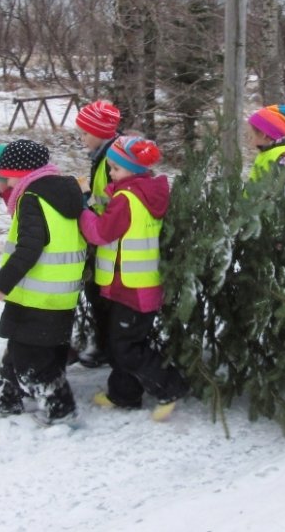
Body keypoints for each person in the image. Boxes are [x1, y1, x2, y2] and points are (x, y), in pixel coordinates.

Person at [78, 135, 188, 422]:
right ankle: (124, 394)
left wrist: (81, 212)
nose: (111, 173)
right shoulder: (140, 192)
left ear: (134, 169)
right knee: (120, 344)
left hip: (132, 287)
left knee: (126, 347)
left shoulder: (127, 199)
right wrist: (91, 198)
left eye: (116, 168)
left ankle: (170, 386)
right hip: (130, 284)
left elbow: (101, 232)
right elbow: (110, 212)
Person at [0, 139, 87, 425]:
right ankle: (10, 399)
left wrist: (2, 283)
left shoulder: (32, 199)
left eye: (8, 175)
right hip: (58, 293)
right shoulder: (60, 193)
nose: (5, 182)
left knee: (33, 361)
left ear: (21, 172)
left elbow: (29, 247)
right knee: (26, 351)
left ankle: (61, 409)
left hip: (37, 294)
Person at [74, 100, 123, 368]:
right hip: (103, 233)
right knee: (97, 291)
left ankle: (107, 346)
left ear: (100, 132)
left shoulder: (110, 159)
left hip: (110, 236)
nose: (82, 138)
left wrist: (86, 200)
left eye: (85, 133)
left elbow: (112, 200)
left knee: (101, 293)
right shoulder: (102, 156)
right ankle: (105, 343)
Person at [246, 104, 285, 187]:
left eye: (250, 136)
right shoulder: (268, 152)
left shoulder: (283, 158)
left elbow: (284, 192)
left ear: (263, 134)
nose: (248, 139)